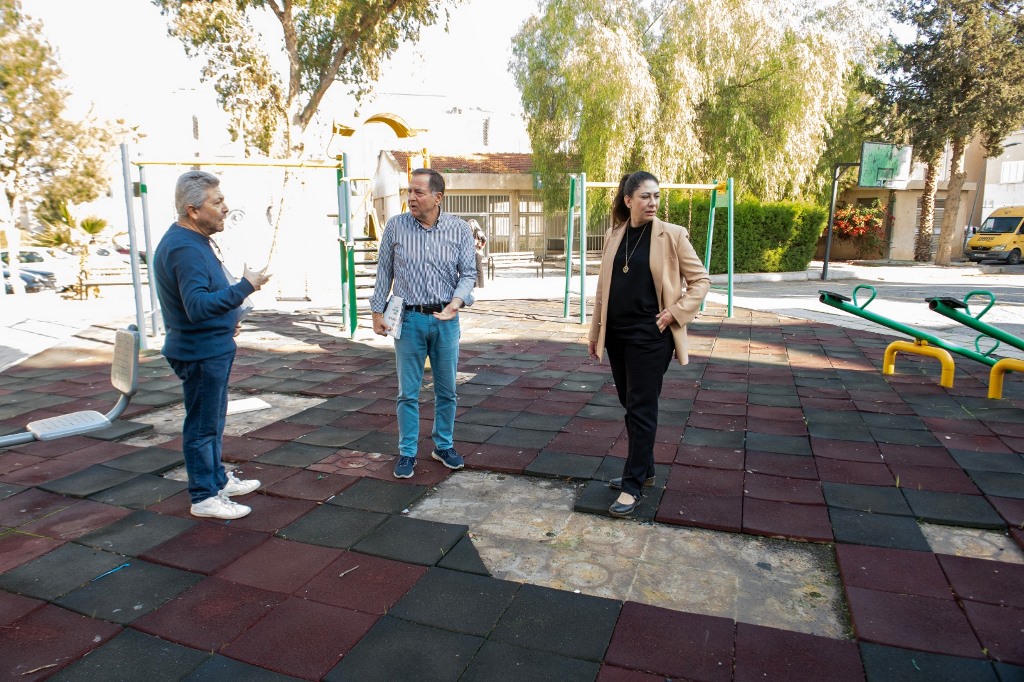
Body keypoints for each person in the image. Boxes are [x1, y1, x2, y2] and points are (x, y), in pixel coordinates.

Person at [588, 171, 711, 517]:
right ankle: (646, 470)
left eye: (656, 196)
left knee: (642, 408)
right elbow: (603, 290)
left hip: (651, 337)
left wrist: (676, 312)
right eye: (645, 196)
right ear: (628, 200)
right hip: (617, 335)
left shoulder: (672, 235)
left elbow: (701, 281)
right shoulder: (615, 234)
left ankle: (632, 486)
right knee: (631, 405)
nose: (652, 202)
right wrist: (595, 334)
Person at [153, 170, 271, 520]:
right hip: (200, 352)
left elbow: (202, 301)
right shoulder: (184, 247)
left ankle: (216, 480)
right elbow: (197, 306)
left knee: (212, 422)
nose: (225, 208)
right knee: (202, 427)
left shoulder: (192, 241)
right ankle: (204, 496)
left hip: (209, 346)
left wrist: (229, 318)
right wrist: (246, 286)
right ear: (193, 210)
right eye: (217, 202)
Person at [370, 168, 477, 479]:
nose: (411, 197)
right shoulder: (396, 227)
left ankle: (443, 445)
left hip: (445, 320)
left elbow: (468, 273)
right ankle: (407, 452)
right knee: (408, 393)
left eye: (418, 192)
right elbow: (384, 271)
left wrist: (456, 302)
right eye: (409, 191)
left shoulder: (459, 229)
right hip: (409, 319)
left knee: (447, 390)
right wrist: (377, 312)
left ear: (437, 197)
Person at [469, 219, 487, 288]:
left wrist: (480, 246)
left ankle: (481, 285)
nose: (470, 225)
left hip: (478, 253)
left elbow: (484, 239)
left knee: (479, 269)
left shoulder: (478, 231)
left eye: (471, 224)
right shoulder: (472, 232)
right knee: (474, 269)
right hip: (474, 252)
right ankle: (476, 284)